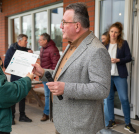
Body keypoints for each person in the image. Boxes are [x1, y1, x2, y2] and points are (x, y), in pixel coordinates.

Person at [32, 2, 111, 134]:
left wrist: (65, 88)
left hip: (80, 126)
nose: (60, 26)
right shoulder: (72, 44)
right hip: (65, 122)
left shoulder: (97, 50)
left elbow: (102, 89)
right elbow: (64, 74)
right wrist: (43, 72)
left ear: (77, 25)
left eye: (64, 22)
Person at [104, 22, 136, 133]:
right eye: (112, 31)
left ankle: (128, 123)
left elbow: (128, 57)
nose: (113, 34)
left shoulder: (123, 43)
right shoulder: (105, 44)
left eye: (116, 32)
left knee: (124, 99)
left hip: (120, 75)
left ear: (119, 33)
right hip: (108, 76)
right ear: (109, 32)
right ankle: (111, 120)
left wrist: (118, 60)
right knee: (109, 98)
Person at [4, 34, 33, 125]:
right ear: (19, 41)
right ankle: (12, 117)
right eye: (25, 40)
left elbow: (31, 64)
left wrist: (31, 56)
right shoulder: (11, 50)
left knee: (23, 96)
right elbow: (6, 64)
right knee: (14, 96)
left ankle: (22, 116)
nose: (27, 42)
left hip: (24, 76)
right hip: (15, 77)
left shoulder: (27, 50)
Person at [38, 33, 60, 121]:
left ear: (45, 41)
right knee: (48, 95)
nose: (38, 41)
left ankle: (47, 113)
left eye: (40, 40)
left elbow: (56, 65)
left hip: (49, 76)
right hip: (44, 76)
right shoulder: (42, 48)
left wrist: (51, 77)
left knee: (49, 95)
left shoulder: (52, 49)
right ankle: (49, 113)